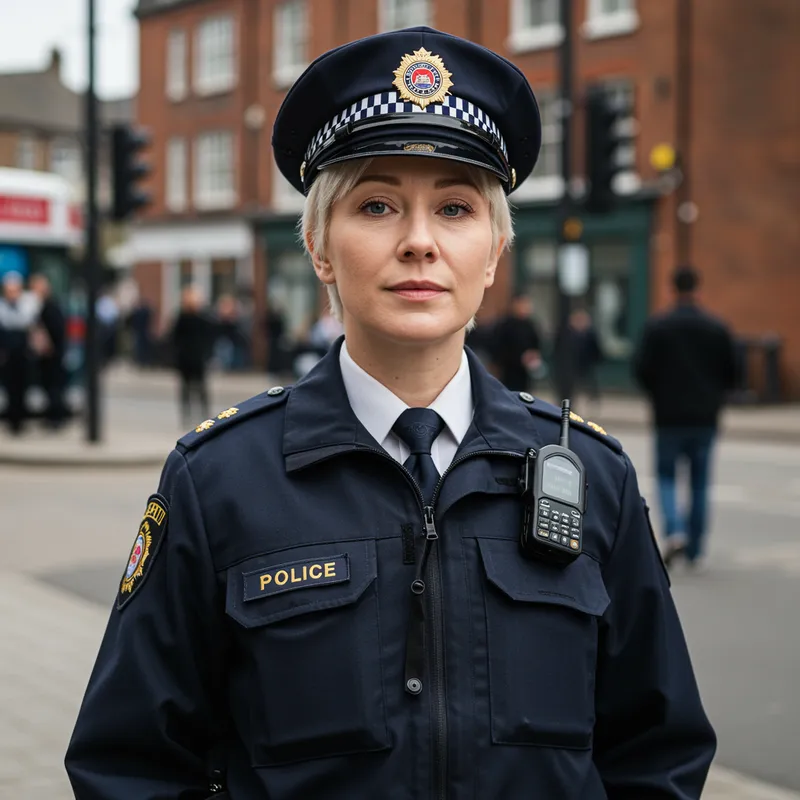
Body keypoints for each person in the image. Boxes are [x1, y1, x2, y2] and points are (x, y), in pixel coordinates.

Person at [66, 27, 715, 799]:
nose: (418, 243)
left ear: (494, 250)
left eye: (454, 208)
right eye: (376, 205)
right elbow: (129, 764)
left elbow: (658, 751)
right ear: (319, 247)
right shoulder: (218, 482)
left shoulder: (593, 477)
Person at [634, 265, 737, 571]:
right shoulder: (717, 328)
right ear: (699, 290)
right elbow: (732, 374)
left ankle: (675, 530)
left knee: (666, 477)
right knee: (700, 483)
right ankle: (696, 548)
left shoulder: (658, 327)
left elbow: (642, 371)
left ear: (671, 290)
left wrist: (659, 393)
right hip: (705, 417)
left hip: (668, 417)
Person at [0, 271, 39, 435]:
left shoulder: (28, 305)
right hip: (8, 354)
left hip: (23, 354)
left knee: (23, 387)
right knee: (10, 388)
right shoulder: (2, 307)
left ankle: (20, 419)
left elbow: (31, 326)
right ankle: (12, 419)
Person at [170, 285, 214, 427]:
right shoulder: (194, 319)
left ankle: (190, 414)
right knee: (196, 388)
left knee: (190, 388)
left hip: (190, 358)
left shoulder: (185, 319)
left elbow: (174, 338)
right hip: (193, 358)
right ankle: (198, 414)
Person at [29, 273, 68, 428]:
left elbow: (56, 331)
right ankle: (53, 416)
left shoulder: (50, 307)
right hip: (48, 356)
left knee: (54, 388)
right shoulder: (43, 306)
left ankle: (56, 418)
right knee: (50, 388)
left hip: (53, 356)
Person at [554, 307, 603, 415]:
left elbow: (596, 351)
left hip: (585, 367)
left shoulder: (590, 334)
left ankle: (589, 407)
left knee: (589, 390)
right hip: (568, 369)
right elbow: (558, 350)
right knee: (567, 392)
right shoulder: (565, 333)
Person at [489, 293, 543, 392]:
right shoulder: (505, 325)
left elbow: (536, 344)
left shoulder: (530, 325)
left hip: (525, 370)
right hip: (508, 369)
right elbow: (498, 347)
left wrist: (532, 356)